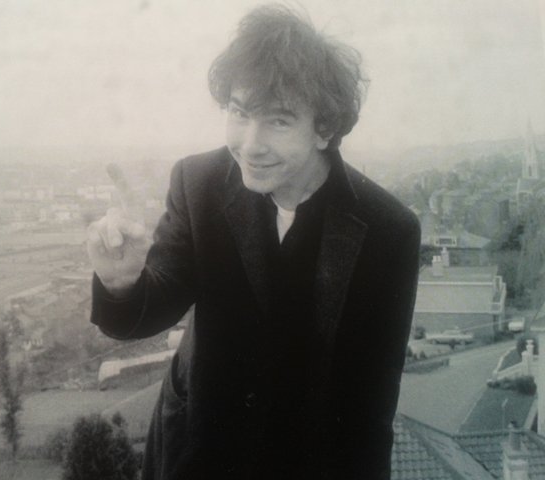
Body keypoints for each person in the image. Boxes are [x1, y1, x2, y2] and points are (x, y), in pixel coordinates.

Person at [87, 5, 420, 479]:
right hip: (196, 453)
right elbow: (152, 309)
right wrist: (121, 283)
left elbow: (372, 407)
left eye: (278, 121)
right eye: (239, 114)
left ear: (324, 128)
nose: (250, 144)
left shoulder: (388, 230)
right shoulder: (198, 183)